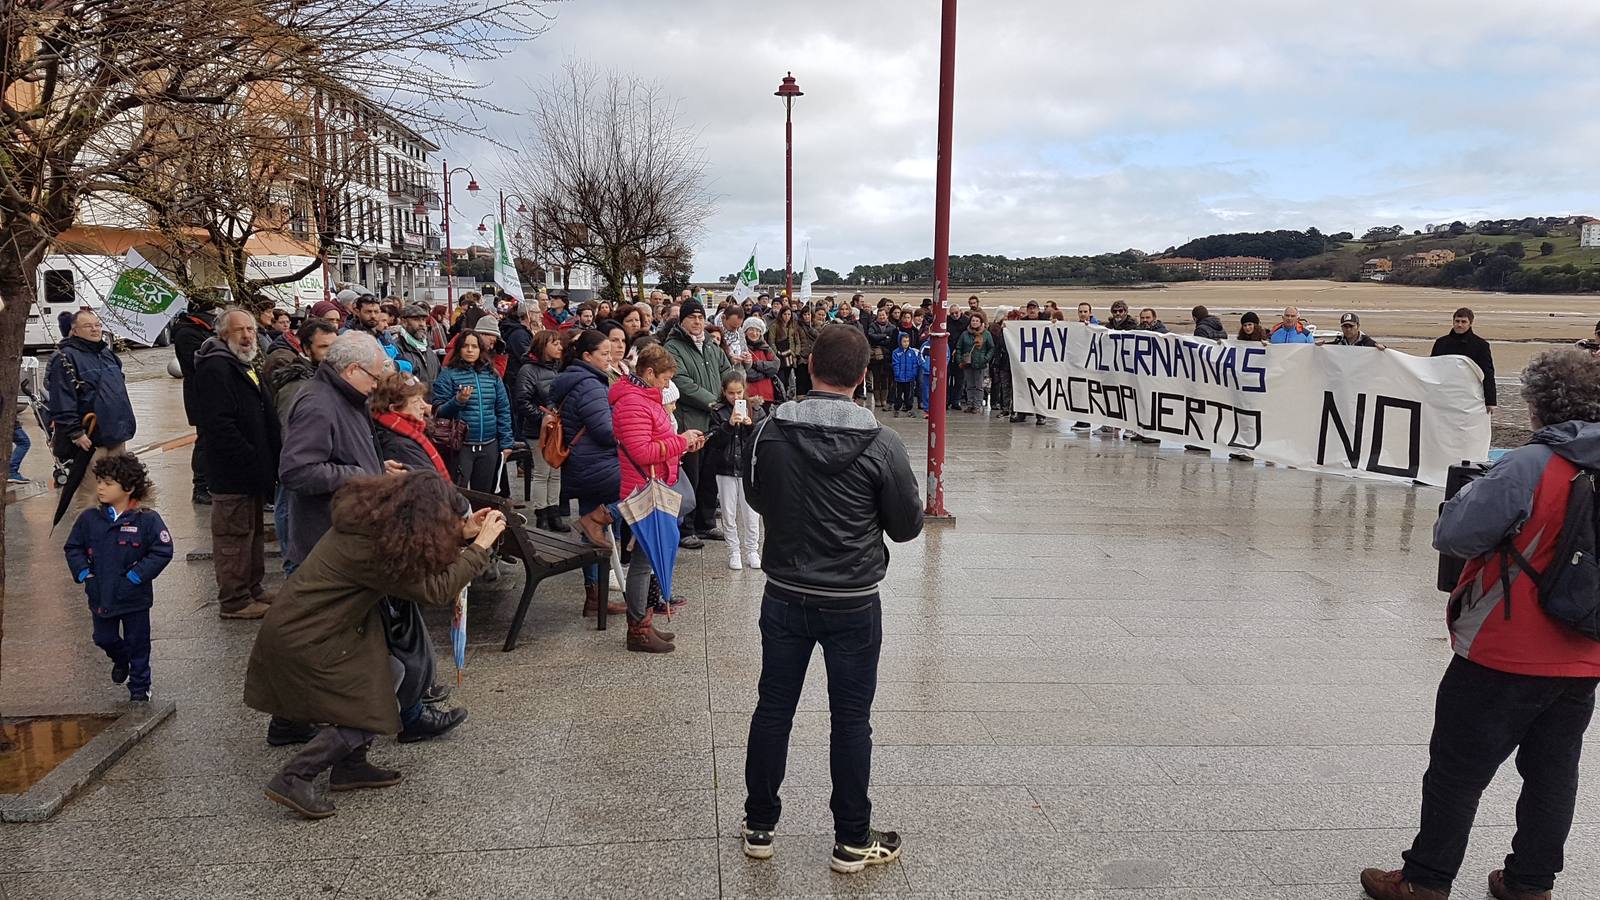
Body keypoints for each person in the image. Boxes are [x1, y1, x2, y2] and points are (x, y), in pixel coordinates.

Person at [1359, 349, 1600, 900]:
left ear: (1540, 405)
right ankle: (1530, 882)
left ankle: (1424, 880)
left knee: (1456, 771)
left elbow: (1456, 536)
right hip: (1585, 650)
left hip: (1505, 645)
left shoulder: (1530, 464)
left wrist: (1467, 497)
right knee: (1553, 774)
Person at [740, 324, 924, 874]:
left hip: (786, 590)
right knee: (850, 719)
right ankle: (851, 837)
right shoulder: (882, 443)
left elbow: (755, 494)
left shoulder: (769, 433)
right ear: (864, 375)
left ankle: (760, 825)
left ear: (810, 365)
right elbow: (907, 526)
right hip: (852, 596)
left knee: (774, 707)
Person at [246, 471, 504, 820]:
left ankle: (351, 767)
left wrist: (461, 533)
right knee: (373, 700)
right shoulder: (373, 550)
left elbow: (418, 560)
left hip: (316, 630)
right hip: (308, 640)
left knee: (392, 672)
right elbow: (435, 589)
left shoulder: (372, 526)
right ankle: (295, 776)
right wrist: (478, 548)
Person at [610, 344, 706, 650]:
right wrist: (679, 442)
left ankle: (645, 621)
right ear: (649, 373)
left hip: (654, 484)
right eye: (664, 378)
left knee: (648, 560)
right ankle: (638, 629)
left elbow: (656, 440)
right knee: (642, 562)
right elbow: (641, 451)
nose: (667, 385)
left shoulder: (644, 399)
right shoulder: (633, 403)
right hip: (643, 490)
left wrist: (681, 444)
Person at [279, 332, 398, 572]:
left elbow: (341, 451)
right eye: (374, 377)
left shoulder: (345, 396)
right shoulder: (318, 403)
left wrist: (376, 466)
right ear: (353, 369)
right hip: (324, 544)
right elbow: (296, 470)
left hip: (343, 537)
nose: (376, 384)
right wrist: (359, 474)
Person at [193, 308, 282, 620]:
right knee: (233, 537)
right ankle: (234, 599)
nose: (247, 336)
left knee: (252, 532)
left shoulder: (241, 363)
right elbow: (220, 426)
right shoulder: (217, 366)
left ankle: (252, 587)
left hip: (252, 469)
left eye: (250, 329)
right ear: (223, 334)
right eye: (239, 330)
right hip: (232, 471)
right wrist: (249, 456)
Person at [64, 453, 173, 703]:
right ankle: (120, 658)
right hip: (101, 593)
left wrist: (136, 576)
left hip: (134, 596)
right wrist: (85, 574)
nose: (101, 487)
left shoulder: (147, 519)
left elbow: (162, 550)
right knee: (103, 638)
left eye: (108, 483)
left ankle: (139, 686)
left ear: (129, 487)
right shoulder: (90, 519)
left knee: (138, 642)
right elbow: (74, 547)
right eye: (100, 481)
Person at [550, 328, 625, 618]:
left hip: (581, 464)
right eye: (604, 354)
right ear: (586, 356)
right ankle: (596, 593)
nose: (609, 359)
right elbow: (605, 431)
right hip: (598, 463)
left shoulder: (572, 380)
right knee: (645, 494)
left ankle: (594, 597)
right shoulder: (591, 385)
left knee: (591, 536)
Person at [46, 311, 137, 507]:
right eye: (88, 326)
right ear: (74, 331)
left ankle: (115, 531)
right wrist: (75, 432)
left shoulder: (107, 354)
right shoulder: (65, 358)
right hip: (90, 439)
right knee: (92, 495)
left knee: (118, 489)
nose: (95, 329)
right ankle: (90, 534)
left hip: (116, 433)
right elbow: (62, 398)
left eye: (97, 324)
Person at [664, 298, 732, 548]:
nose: (697, 321)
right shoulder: (673, 346)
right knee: (690, 476)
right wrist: (713, 401)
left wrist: (730, 395)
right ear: (682, 320)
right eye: (692, 317)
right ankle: (687, 527)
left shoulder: (712, 346)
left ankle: (706, 523)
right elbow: (680, 381)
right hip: (689, 421)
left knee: (709, 476)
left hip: (713, 421)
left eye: (701, 317)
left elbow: (727, 370)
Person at [431, 331, 514, 493]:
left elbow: (503, 410)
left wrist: (506, 442)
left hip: (489, 444)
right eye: (465, 346)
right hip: (460, 446)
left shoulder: (491, 374)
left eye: (474, 346)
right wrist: (458, 401)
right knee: (457, 494)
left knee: (483, 496)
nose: (470, 350)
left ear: (480, 350)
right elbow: (438, 411)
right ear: (459, 349)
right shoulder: (448, 374)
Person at [705, 371, 764, 570]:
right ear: (724, 392)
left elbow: (762, 439)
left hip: (748, 468)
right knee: (729, 514)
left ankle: (752, 550)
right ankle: (734, 551)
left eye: (739, 392)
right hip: (725, 467)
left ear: (745, 389)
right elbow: (714, 441)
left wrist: (750, 426)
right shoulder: (717, 411)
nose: (736, 397)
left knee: (752, 513)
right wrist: (728, 425)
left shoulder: (755, 409)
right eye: (731, 393)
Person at [514, 329, 566, 530]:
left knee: (556, 472)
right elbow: (522, 401)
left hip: (558, 429)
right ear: (543, 346)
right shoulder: (528, 370)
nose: (560, 347)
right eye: (555, 343)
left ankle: (554, 511)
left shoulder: (558, 369)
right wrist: (542, 417)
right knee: (542, 472)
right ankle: (541, 513)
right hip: (539, 430)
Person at [170, 305, 218, 504]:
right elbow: (199, 362)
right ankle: (200, 486)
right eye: (212, 314)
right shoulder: (187, 333)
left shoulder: (202, 331)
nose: (215, 317)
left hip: (209, 393)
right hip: (200, 395)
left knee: (212, 440)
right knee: (204, 441)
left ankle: (211, 482)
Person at [371, 375, 449, 477]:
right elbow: (432, 484)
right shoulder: (399, 445)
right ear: (394, 408)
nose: (423, 406)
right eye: (416, 401)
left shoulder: (409, 432)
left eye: (422, 399)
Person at [1431, 307, 1497, 411]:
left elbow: (1488, 373)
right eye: (1457, 321)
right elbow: (1431, 369)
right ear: (1453, 322)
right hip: (1444, 393)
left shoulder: (1480, 345)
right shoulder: (1441, 343)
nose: (1459, 325)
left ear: (1470, 323)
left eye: (1463, 322)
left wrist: (1491, 401)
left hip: (1470, 395)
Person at [394, 302, 441, 390]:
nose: (422, 324)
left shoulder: (428, 348)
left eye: (423, 320)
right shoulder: (397, 348)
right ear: (404, 322)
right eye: (416, 319)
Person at [953, 311, 993, 413]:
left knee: (978, 386)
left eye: (977, 321)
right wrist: (960, 359)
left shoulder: (986, 334)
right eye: (973, 321)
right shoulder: (965, 334)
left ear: (981, 322)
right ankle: (970, 404)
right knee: (969, 385)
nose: (974, 323)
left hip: (980, 363)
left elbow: (991, 348)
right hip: (967, 363)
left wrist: (985, 359)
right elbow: (959, 347)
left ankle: (977, 404)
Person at [742, 317, 781, 403]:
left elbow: (776, 365)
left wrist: (755, 364)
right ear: (745, 332)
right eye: (751, 330)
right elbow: (748, 374)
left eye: (758, 330)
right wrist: (767, 374)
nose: (754, 333)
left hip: (768, 395)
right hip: (750, 395)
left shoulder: (765, 348)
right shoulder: (742, 348)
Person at [865, 310, 897, 410]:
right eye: (880, 315)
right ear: (877, 316)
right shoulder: (872, 326)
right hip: (875, 356)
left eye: (883, 315)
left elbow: (892, 340)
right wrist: (884, 336)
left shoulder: (892, 327)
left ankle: (884, 399)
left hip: (887, 356)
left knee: (885, 378)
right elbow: (871, 337)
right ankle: (877, 399)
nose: (882, 317)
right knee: (876, 377)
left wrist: (880, 339)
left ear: (886, 316)